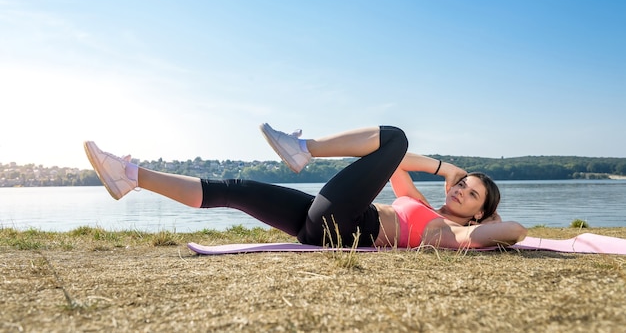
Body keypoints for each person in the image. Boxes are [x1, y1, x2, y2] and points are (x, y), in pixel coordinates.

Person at [84, 124, 527, 249]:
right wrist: (443, 172)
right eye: (462, 183)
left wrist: (492, 221)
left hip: (344, 225)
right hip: (320, 222)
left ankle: (303, 148)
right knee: (235, 188)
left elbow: (514, 232)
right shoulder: (414, 200)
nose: (459, 190)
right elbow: (388, 161)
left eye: (470, 194)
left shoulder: (450, 233)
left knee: (396, 136)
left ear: (477, 213)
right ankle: (131, 176)